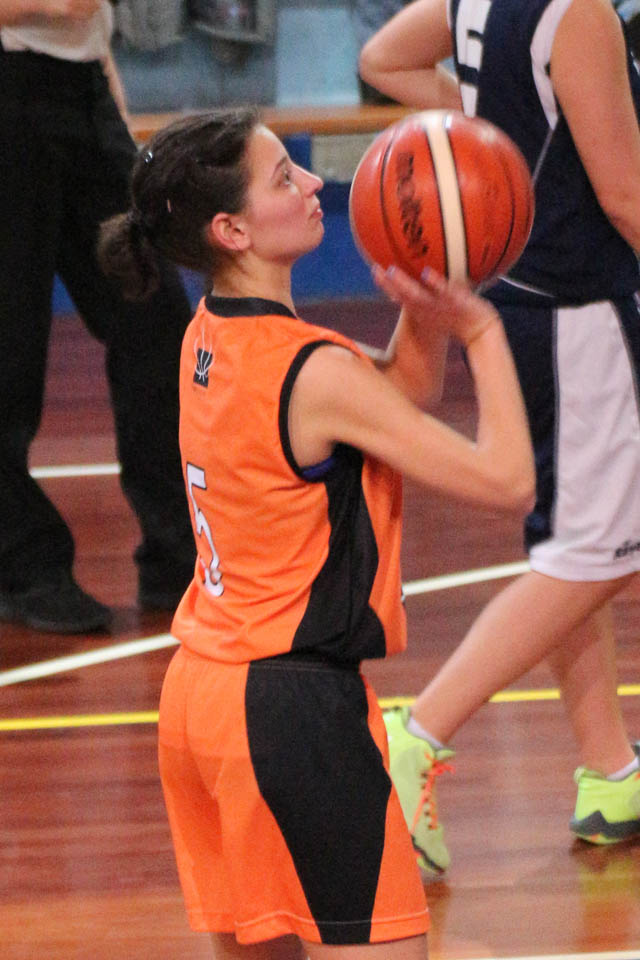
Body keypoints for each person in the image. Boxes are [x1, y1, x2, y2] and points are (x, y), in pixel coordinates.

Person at [98, 107, 533, 958]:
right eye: (282, 178)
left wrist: (427, 291)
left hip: (201, 703)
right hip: (290, 717)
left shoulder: (209, 334)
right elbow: (508, 479)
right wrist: (482, 331)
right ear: (231, 229)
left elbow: (396, 395)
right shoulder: (315, 372)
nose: (312, 182)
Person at [358, 0, 640, 875]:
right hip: (581, 313)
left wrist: (493, 135)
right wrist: (503, 140)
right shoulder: (579, 11)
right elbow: (627, 195)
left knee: (572, 546)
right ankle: (420, 733)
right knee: (597, 553)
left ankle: (610, 771)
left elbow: (383, 57)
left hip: (516, 302)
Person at [0, 0, 196, 634]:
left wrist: (108, 99)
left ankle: (179, 553)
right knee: (9, 350)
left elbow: (86, 18)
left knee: (156, 317)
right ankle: (24, 566)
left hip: (82, 89)